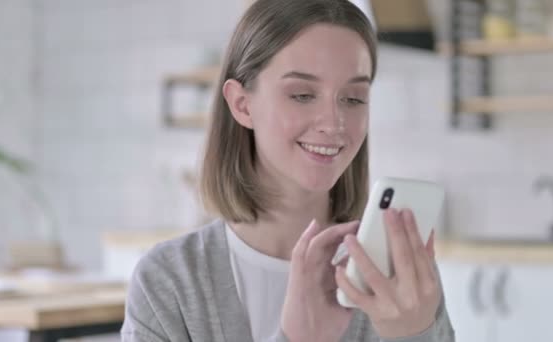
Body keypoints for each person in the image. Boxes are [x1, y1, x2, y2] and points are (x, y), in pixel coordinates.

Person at [121, 0, 455, 341]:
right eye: (302, 94)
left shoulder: (396, 276)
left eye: (353, 98)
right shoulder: (169, 282)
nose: (333, 123)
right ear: (241, 104)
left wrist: (413, 335)